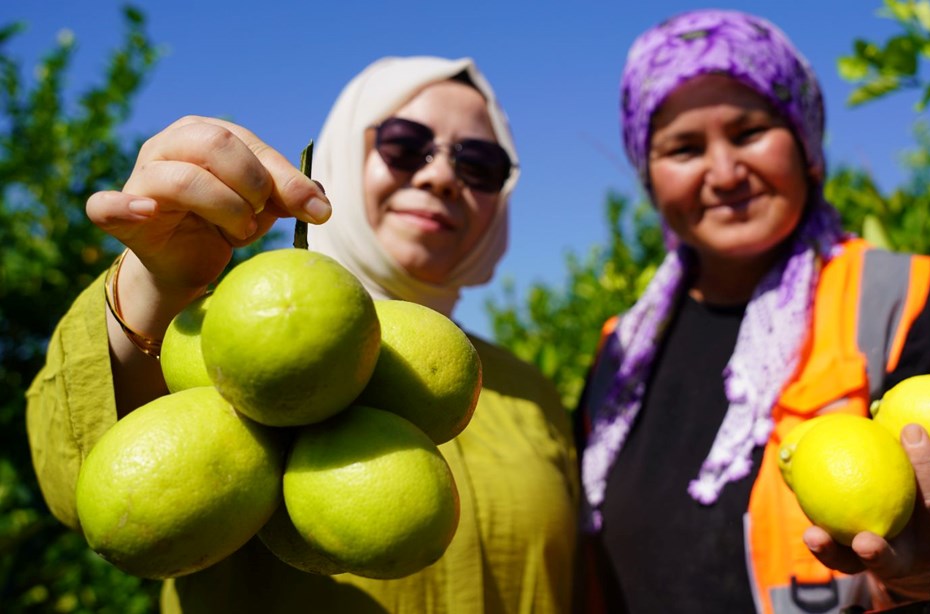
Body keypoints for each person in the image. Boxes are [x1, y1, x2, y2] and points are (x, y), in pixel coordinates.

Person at [26, 56, 578, 613]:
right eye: (406, 145)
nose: (440, 176)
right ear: (342, 153)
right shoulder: (222, 331)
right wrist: (154, 290)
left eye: (479, 163)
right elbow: (77, 485)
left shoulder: (531, 391)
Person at [575, 10, 930, 613]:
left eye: (748, 133)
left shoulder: (911, 302)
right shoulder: (620, 356)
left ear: (806, 144)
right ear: (650, 176)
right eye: (684, 148)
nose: (723, 173)